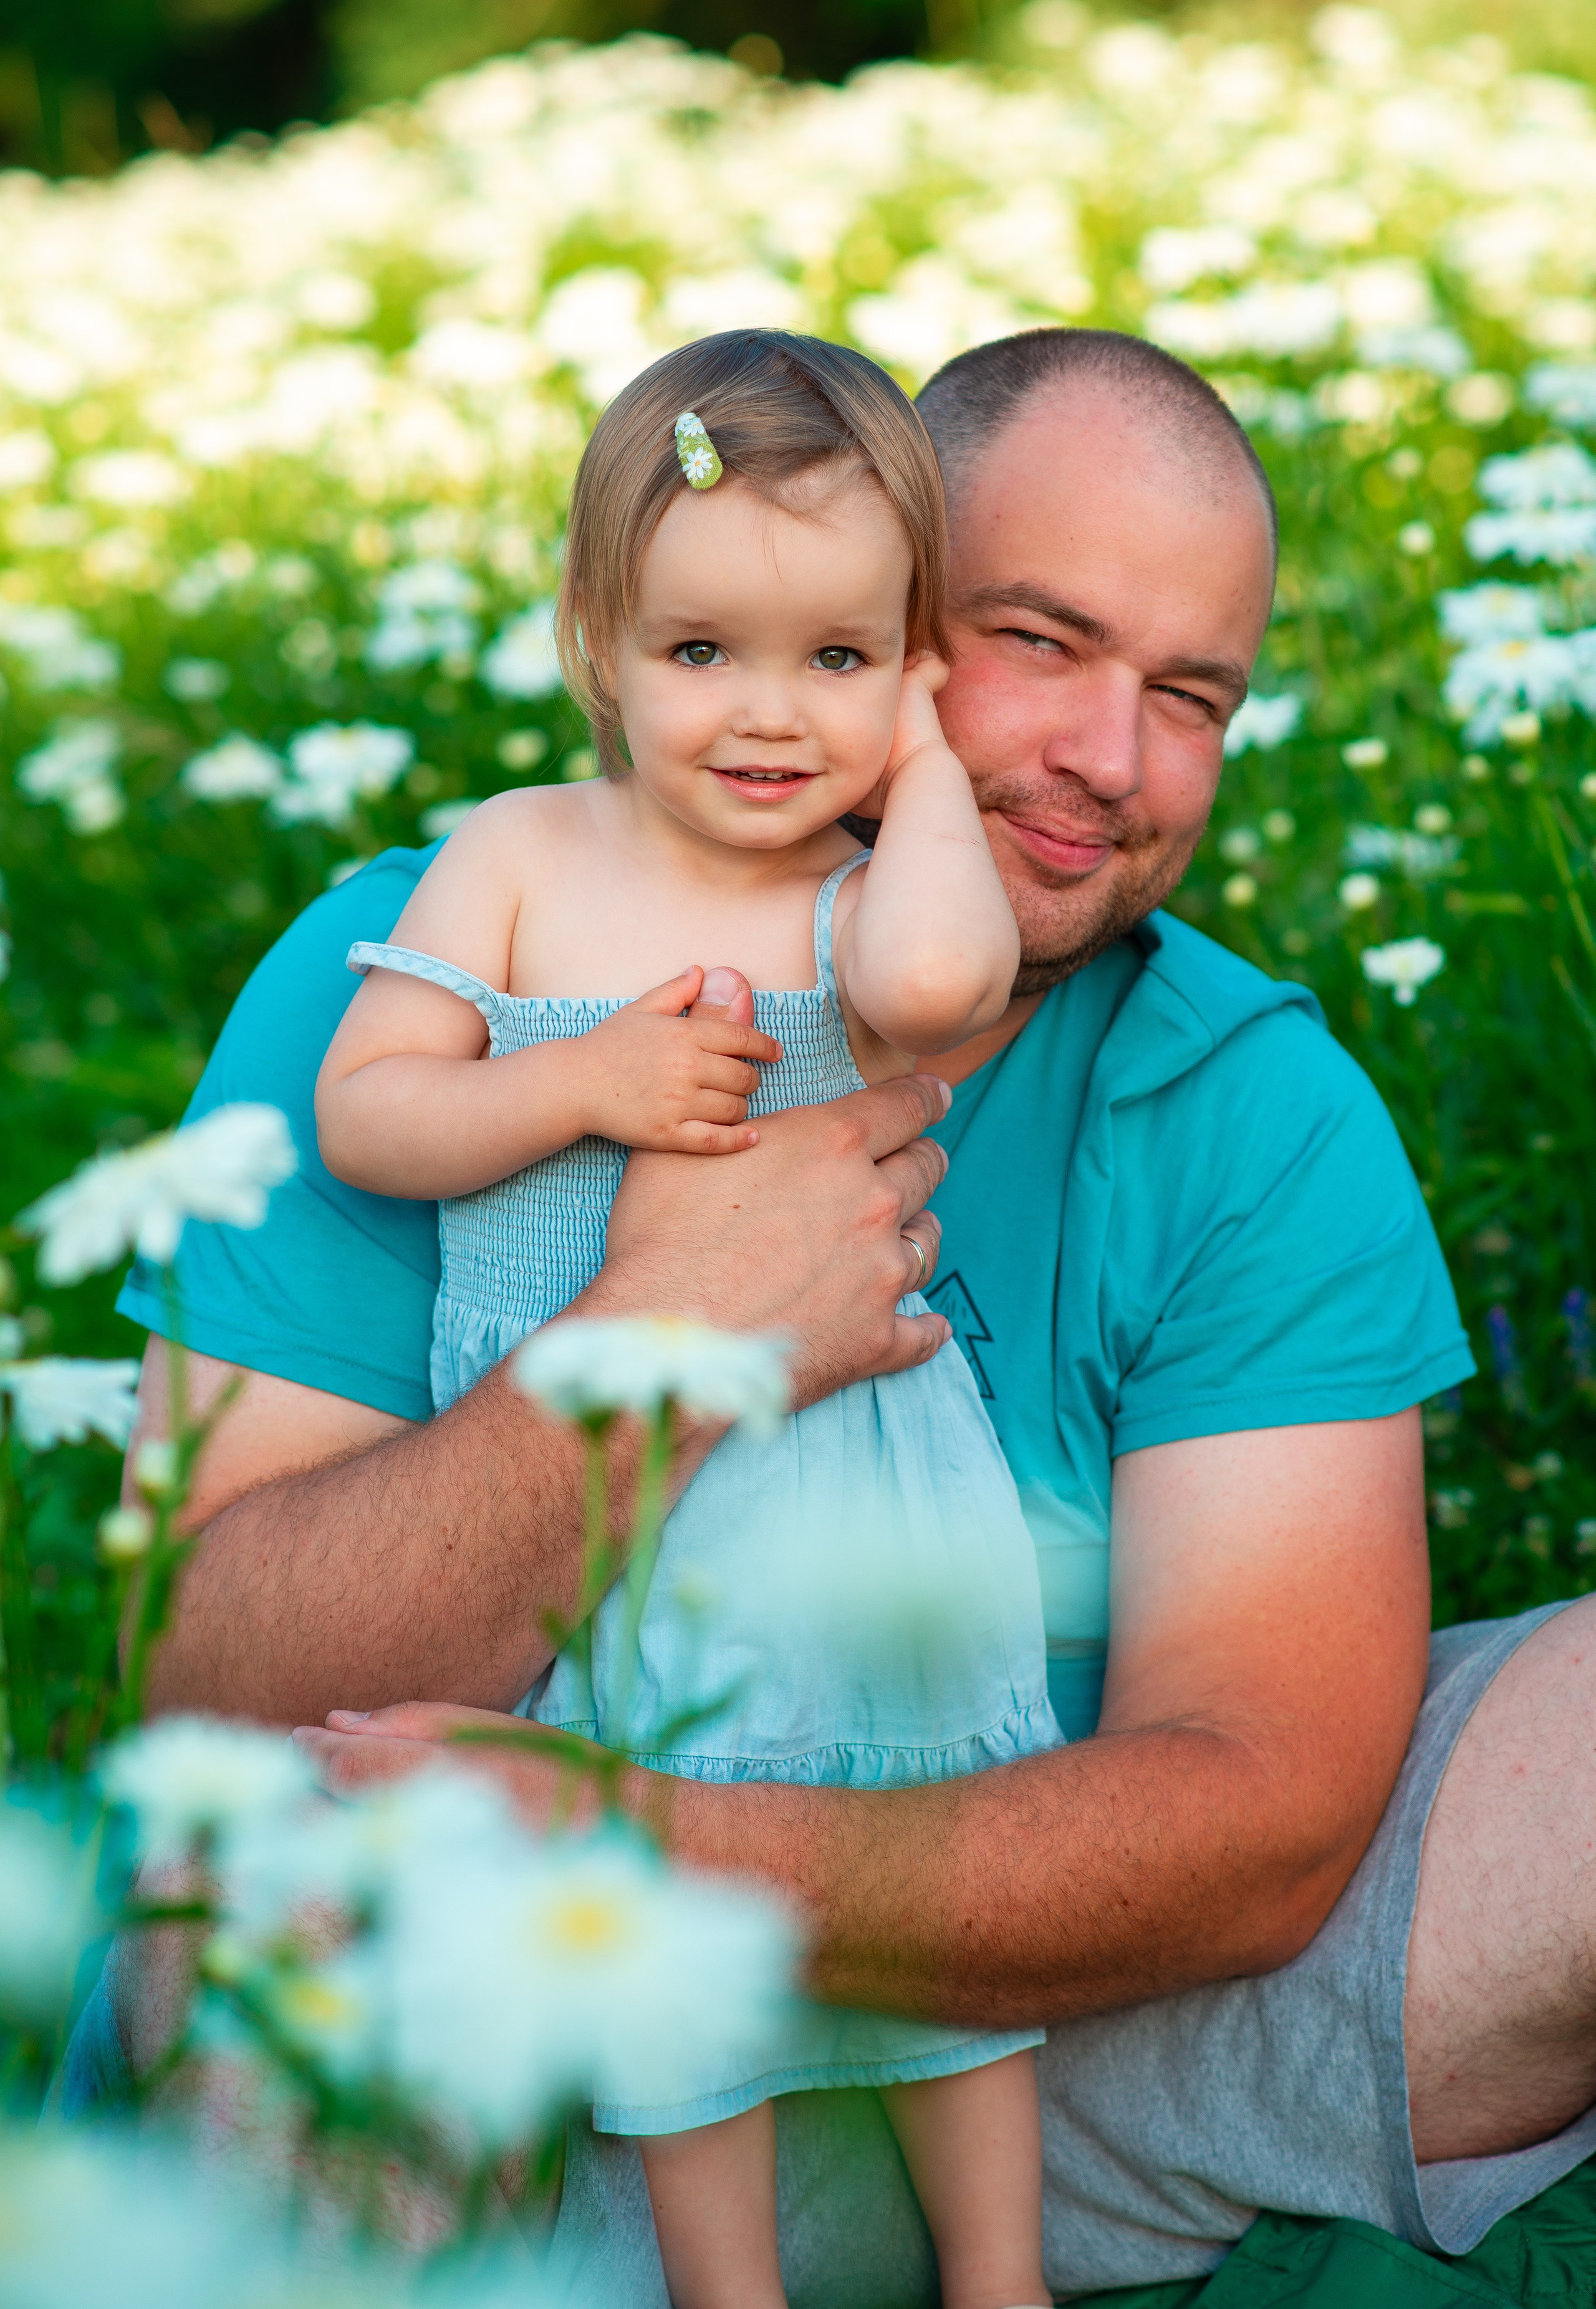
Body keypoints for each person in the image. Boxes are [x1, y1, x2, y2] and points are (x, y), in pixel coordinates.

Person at [95, 325, 1596, 2302]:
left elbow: (1262, 1814)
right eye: (1040, 641)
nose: (1112, 758)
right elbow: (208, 1681)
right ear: (872, 599)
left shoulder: (1252, 1107)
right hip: (545, 2060)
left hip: (1069, 2028)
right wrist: (660, 1342)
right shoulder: (462, 965)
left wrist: (659, 1840)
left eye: (1190, 696)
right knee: (283, 1884)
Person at [314, 328, 1061, 2309]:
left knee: (909, 1851)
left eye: (842, 657)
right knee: (643, 1881)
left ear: (911, 668)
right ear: (598, 638)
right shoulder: (517, 859)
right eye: (704, 649)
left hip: (842, 1483)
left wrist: (928, 766)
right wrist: (576, 1081)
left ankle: (1002, 2273)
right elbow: (369, 1108)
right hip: (597, 1495)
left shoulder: (862, 892)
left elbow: (938, 985)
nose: (769, 713)